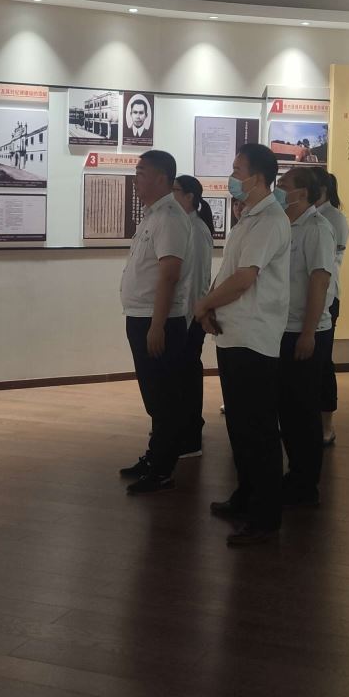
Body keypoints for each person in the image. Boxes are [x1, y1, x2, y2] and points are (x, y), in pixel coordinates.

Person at [194, 143, 291, 546]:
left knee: (258, 429)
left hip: (254, 336)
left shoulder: (270, 220)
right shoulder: (247, 218)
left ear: (258, 177)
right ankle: (246, 496)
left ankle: (265, 516)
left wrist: (204, 304)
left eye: (237, 170)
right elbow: (229, 272)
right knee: (239, 424)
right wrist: (210, 305)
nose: (232, 178)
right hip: (234, 333)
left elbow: (245, 279)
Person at [118, 150, 195, 495]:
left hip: (157, 321)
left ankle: (163, 469)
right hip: (142, 317)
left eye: (141, 172)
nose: (136, 179)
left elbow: (169, 275)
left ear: (162, 178)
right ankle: (154, 457)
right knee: (154, 395)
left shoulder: (171, 218)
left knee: (163, 398)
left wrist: (157, 325)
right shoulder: (154, 215)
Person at [275, 165, 337, 508]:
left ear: (301, 193)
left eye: (283, 184)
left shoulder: (317, 228)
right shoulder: (285, 225)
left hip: (305, 330)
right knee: (287, 409)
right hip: (282, 328)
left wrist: (308, 332)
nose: (278, 188)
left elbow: (320, 281)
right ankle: (295, 473)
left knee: (302, 410)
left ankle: (306, 483)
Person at [173, 175, 215, 460]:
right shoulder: (184, 226)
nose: (170, 196)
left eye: (175, 191)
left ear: (189, 197)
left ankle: (190, 438)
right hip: (181, 317)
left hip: (190, 319)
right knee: (179, 378)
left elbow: (196, 281)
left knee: (187, 378)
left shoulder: (197, 230)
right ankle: (178, 430)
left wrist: (189, 319)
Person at [314, 173, 349, 445]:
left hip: (327, 297)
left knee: (322, 362)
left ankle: (327, 424)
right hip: (306, 298)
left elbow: (330, 263)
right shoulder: (308, 216)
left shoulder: (334, 218)